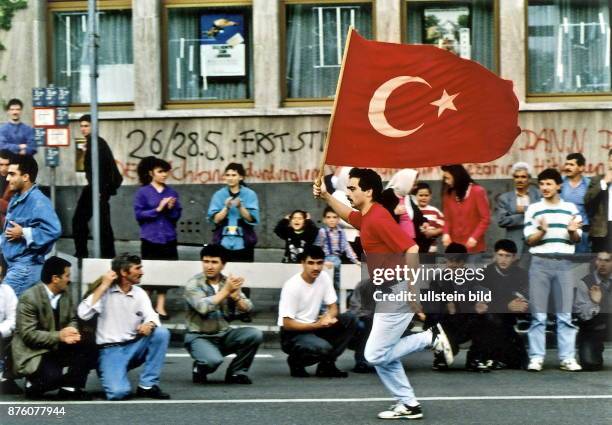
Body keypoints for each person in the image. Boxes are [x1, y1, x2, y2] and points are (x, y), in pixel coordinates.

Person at [314, 167, 453, 420]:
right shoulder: (367, 215)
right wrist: (326, 197)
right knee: (384, 354)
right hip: (387, 290)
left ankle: (430, 337)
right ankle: (409, 403)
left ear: (368, 191)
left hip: (397, 289)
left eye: (353, 188)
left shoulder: (378, 218)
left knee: (374, 354)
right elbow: (349, 215)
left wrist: (411, 288)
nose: (348, 191)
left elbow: (410, 246)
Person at [77, 253, 171, 400]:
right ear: (123, 272)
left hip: (134, 346)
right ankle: (109, 372)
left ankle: (147, 385)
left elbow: (152, 315)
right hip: (110, 351)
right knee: (118, 393)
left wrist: (149, 324)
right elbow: (83, 314)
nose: (142, 272)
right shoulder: (104, 292)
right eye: (138, 268)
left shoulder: (139, 293)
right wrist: (103, 285)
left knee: (161, 333)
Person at [524, 168, 583, 372]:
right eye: (541, 184)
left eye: (549, 183)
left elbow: (576, 238)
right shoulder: (533, 209)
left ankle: (567, 358)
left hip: (564, 264)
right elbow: (529, 240)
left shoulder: (570, 208)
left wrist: (572, 231)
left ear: (559, 185)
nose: (545, 187)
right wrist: (541, 231)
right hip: (540, 263)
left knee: (565, 314)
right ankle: (536, 357)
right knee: (538, 315)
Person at [11, 257, 95, 400]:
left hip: (57, 346)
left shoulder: (66, 294)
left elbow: (72, 319)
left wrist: (72, 330)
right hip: (35, 351)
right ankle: (32, 385)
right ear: (55, 278)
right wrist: (60, 336)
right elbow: (28, 335)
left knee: (89, 345)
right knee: (52, 378)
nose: (69, 280)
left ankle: (69, 388)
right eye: (67, 276)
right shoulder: (29, 297)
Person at [184, 244, 262, 385]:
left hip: (224, 334)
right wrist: (226, 291)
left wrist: (236, 297)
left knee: (254, 334)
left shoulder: (227, 283)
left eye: (214, 262)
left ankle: (236, 372)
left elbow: (248, 308)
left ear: (223, 265)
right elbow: (202, 307)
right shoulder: (193, 284)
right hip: (199, 336)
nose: (209, 266)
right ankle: (199, 368)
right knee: (213, 361)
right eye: (206, 261)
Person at [278, 245, 357, 378]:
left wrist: (328, 317)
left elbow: (333, 307)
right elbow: (287, 324)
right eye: (311, 263)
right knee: (323, 347)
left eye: (319, 263)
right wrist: (317, 325)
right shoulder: (292, 286)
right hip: (293, 334)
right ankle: (296, 361)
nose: (315, 268)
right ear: (302, 263)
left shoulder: (324, 277)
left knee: (350, 319)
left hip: (315, 327)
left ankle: (326, 366)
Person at [423, 243, 493, 372]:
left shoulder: (472, 277)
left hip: (465, 321)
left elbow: (481, 290)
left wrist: (481, 301)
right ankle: (441, 357)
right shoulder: (438, 280)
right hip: (446, 322)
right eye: (450, 261)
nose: (453, 265)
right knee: (435, 318)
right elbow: (432, 306)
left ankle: (475, 359)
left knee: (486, 317)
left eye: (457, 261)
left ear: (464, 262)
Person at [1, 155, 61, 296]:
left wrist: (24, 233)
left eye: (12, 174)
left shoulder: (37, 200)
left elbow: (54, 230)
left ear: (26, 177)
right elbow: (8, 234)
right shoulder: (17, 198)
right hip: (15, 266)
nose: (7, 178)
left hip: (25, 268)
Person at [134, 156, 182, 320]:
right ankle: (145, 307)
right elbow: (139, 215)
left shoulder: (171, 192)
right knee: (148, 273)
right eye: (160, 172)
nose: (164, 175)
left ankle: (160, 307)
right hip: (150, 238)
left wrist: (170, 208)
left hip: (168, 237)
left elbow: (176, 216)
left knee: (165, 273)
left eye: (165, 172)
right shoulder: (143, 192)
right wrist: (158, 208)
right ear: (151, 173)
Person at [72, 114, 123, 259]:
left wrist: (101, 191)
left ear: (94, 127)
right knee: (90, 222)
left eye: (86, 125)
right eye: (81, 126)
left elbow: (104, 169)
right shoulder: (90, 143)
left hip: (99, 189)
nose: (83, 129)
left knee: (94, 223)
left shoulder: (97, 144)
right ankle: (94, 254)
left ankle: (89, 254)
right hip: (95, 188)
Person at [479, 239, 529, 369]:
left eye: (507, 256)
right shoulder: (485, 274)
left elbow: (526, 298)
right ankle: (491, 356)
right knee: (490, 316)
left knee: (520, 363)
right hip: (493, 317)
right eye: (500, 255)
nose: (503, 259)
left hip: (514, 318)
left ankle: (502, 357)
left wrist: (522, 303)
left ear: (514, 258)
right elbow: (484, 301)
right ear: (495, 255)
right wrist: (507, 305)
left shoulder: (521, 274)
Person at [208, 163, 259, 262]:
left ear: (241, 177)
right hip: (223, 243)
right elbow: (215, 219)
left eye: (234, 175)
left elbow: (252, 219)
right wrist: (226, 207)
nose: (230, 178)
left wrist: (240, 207)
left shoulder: (250, 194)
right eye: (228, 175)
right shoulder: (219, 194)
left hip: (243, 243)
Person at [440, 164, 491, 254]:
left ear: (457, 177)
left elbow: (485, 219)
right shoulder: (448, 193)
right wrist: (446, 233)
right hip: (455, 247)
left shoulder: (477, 191)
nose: (446, 182)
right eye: (445, 178)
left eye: (448, 178)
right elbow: (447, 219)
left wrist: (474, 237)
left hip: (473, 246)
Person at [574, 251, 611, 371]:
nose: (602, 264)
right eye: (599, 260)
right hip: (593, 329)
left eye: (607, 260)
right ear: (594, 262)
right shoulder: (585, 282)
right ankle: (594, 349)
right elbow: (583, 315)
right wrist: (594, 302)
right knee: (590, 364)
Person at [495, 162, 541, 254]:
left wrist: (524, 209)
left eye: (523, 177)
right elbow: (502, 221)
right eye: (517, 177)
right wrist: (529, 215)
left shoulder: (538, 195)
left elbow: (543, 215)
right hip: (514, 243)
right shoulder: (505, 198)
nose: (519, 180)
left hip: (536, 240)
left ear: (529, 179)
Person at [315, 207, 359, 291]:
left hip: (338, 261)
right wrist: (322, 261)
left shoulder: (341, 232)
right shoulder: (323, 232)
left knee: (340, 284)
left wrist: (355, 260)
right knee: (325, 284)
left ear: (338, 219)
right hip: (326, 261)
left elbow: (347, 247)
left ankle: (338, 301)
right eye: (328, 217)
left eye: (334, 217)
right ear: (324, 220)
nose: (332, 220)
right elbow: (317, 249)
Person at [561, 153, 591, 253]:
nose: (567, 167)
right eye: (566, 164)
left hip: (583, 231)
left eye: (571, 165)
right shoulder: (560, 183)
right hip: (563, 230)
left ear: (581, 168)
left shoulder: (589, 185)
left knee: (582, 262)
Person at [585, 149, 612, 253]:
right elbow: (587, 200)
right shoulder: (597, 180)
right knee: (599, 264)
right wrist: (604, 182)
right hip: (602, 230)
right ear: (608, 162)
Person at [413, 182, 444, 253]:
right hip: (415, 249)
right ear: (415, 196)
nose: (424, 198)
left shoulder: (435, 211)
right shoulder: (412, 211)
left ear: (430, 196)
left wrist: (433, 232)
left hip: (431, 250)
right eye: (421, 195)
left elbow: (444, 227)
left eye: (426, 195)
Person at [0, 276, 17, 393]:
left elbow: (14, 317)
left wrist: (1, 331)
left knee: (19, 336)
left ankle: (5, 377)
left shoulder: (6, 290)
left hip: (1, 334)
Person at [0, 150, 15, 229]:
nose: (4, 168)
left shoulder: (18, 180)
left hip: (10, 223)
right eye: (1, 164)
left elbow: (17, 207)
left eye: (7, 164)